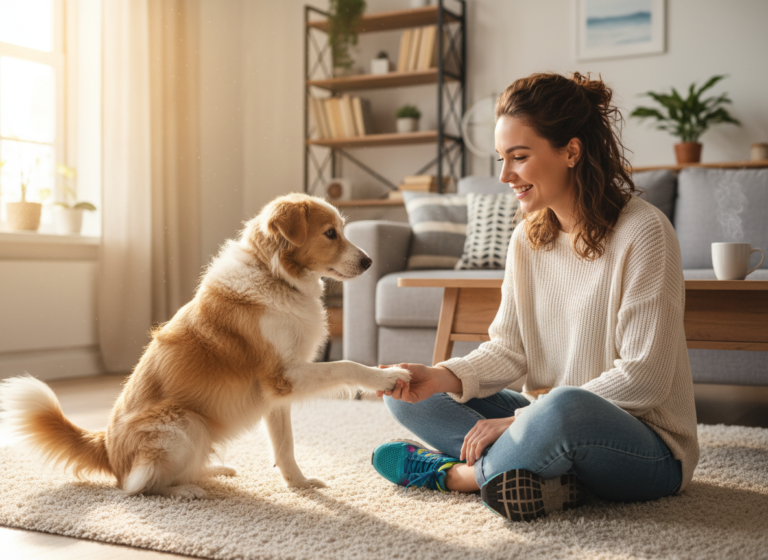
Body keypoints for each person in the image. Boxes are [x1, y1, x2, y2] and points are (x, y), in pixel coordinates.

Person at [370, 72, 699, 522]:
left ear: (571, 152)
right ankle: (541, 474)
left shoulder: (645, 231)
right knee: (403, 391)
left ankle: (457, 476)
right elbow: (509, 350)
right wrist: (441, 376)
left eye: (519, 157)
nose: (504, 175)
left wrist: (521, 421)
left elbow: (644, 379)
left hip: (647, 448)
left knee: (565, 405)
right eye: (501, 158)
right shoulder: (527, 238)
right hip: (546, 420)